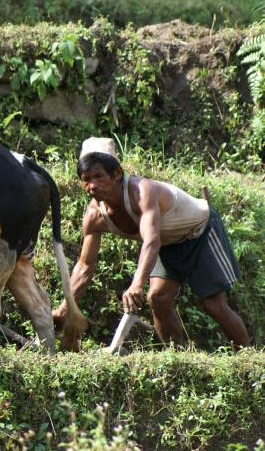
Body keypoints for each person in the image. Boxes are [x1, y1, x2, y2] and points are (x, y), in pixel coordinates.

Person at [53, 137, 249, 348]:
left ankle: (248, 356)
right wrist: (65, 308)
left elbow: (151, 241)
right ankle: (177, 355)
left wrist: (137, 284)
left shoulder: (142, 192)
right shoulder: (94, 216)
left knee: (214, 305)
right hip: (167, 243)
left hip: (200, 233)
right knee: (158, 299)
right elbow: (85, 266)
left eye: (99, 176)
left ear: (117, 174)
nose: (92, 186)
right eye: (86, 179)